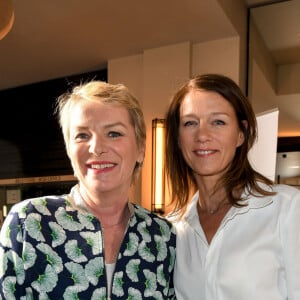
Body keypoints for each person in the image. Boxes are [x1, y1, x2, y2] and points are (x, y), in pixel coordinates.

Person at [0, 80, 176, 299]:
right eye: (82, 135)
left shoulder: (161, 236)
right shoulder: (29, 223)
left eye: (114, 133)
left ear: (141, 148)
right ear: (69, 149)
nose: (97, 148)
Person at [165, 73, 300, 299]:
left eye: (218, 122)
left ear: (241, 134)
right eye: (190, 123)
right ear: (179, 139)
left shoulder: (287, 208)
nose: (202, 135)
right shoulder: (173, 228)